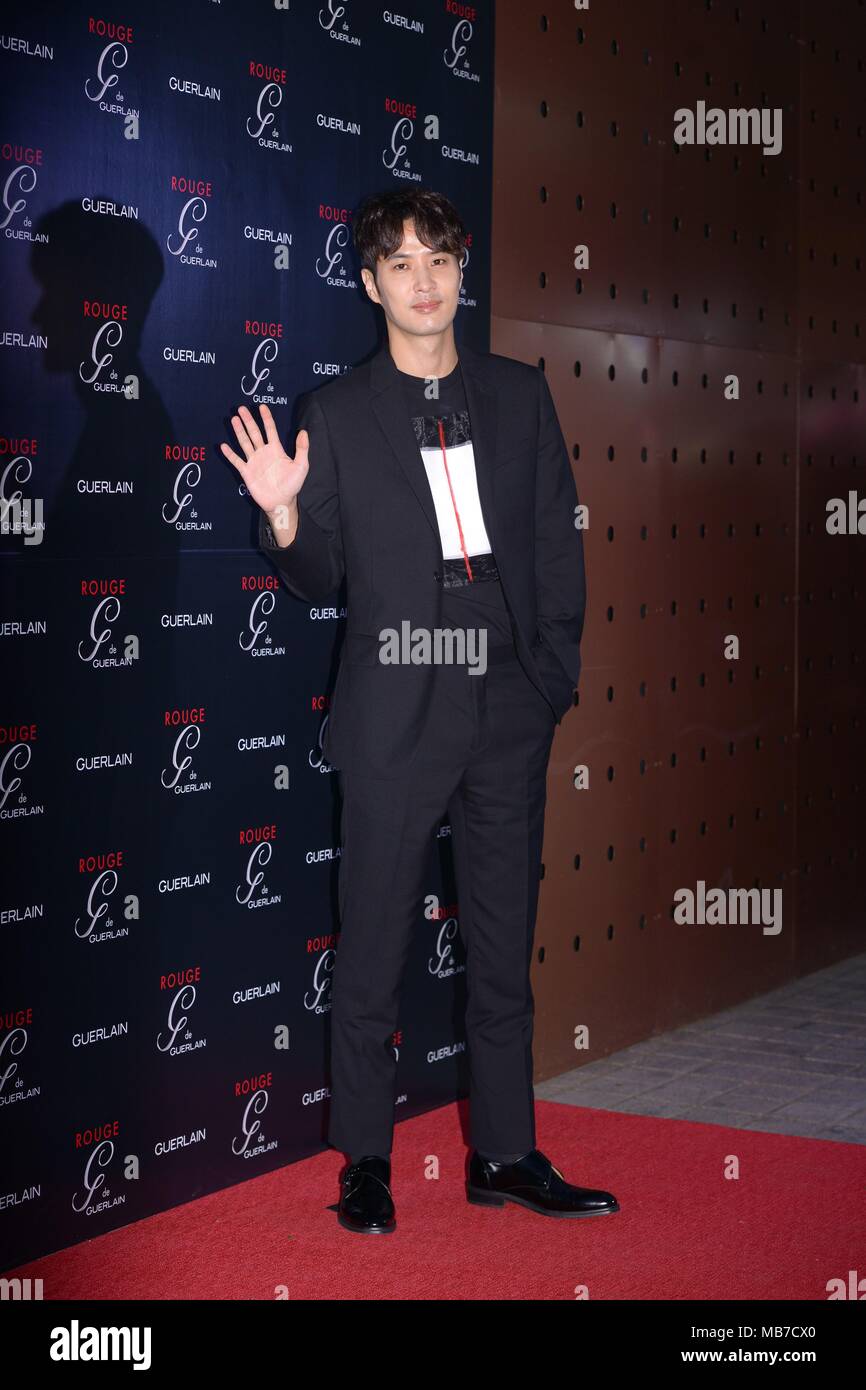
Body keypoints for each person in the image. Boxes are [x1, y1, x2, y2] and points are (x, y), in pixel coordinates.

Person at [221, 187, 619, 1234]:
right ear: (369, 285)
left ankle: (504, 1152)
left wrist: (549, 680)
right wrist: (281, 513)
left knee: (502, 943)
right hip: (396, 706)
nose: (423, 280)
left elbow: (555, 547)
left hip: (505, 710)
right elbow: (318, 578)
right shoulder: (337, 414)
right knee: (372, 949)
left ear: (460, 272)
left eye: (437, 259)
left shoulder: (520, 395)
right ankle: (364, 1161)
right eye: (399, 263)